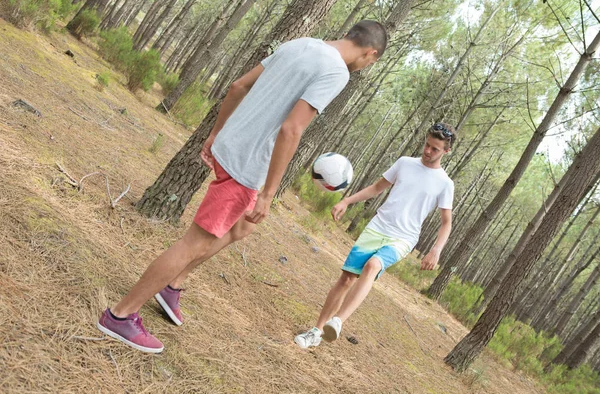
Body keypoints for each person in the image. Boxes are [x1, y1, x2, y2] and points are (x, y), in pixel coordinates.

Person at [97, 20, 388, 353]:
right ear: (370, 52)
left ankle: (171, 286)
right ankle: (121, 315)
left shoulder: (301, 42)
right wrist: (267, 193)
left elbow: (237, 86)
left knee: (241, 228)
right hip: (247, 165)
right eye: (371, 63)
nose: (365, 66)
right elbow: (291, 130)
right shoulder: (337, 72)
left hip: (229, 147)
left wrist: (215, 133)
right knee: (194, 242)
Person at [294, 123, 455, 349]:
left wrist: (436, 250)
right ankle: (316, 331)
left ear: (446, 151)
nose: (428, 151)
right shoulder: (404, 163)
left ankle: (338, 320)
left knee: (372, 265)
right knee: (346, 279)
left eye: (435, 149)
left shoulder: (445, 184)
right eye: (427, 145)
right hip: (378, 227)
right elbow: (376, 187)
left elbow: (446, 223)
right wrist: (346, 201)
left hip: (404, 238)